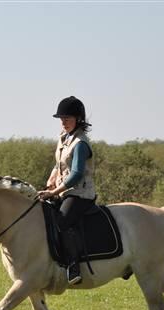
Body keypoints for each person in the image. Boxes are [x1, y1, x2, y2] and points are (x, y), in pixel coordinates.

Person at [37, 96, 96, 285]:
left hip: (80, 194)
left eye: (67, 119)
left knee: (61, 221)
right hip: (64, 191)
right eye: (61, 119)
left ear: (78, 119)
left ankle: (73, 266)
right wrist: (51, 178)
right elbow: (59, 165)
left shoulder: (81, 143)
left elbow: (77, 174)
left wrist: (54, 193)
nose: (63, 122)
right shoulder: (64, 138)